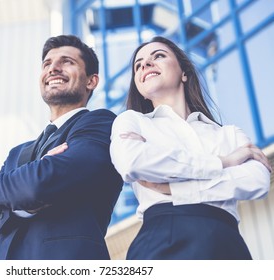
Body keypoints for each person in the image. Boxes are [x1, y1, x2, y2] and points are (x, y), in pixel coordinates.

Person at [109, 36, 272, 260]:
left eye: (158, 56)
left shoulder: (228, 133)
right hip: (162, 239)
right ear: (140, 88)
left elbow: (257, 181)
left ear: (184, 73)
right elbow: (133, 163)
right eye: (139, 65)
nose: (145, 64)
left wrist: (176, 189)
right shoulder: (131, 121)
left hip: (226, 242)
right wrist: (224, 162)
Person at [0, 35, 123, 260]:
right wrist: (25, 204)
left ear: (91, 81)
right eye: (47, 64)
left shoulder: (101, 124)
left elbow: (43, 182)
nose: (53, 68)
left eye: (67, 61)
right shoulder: (18, 153)